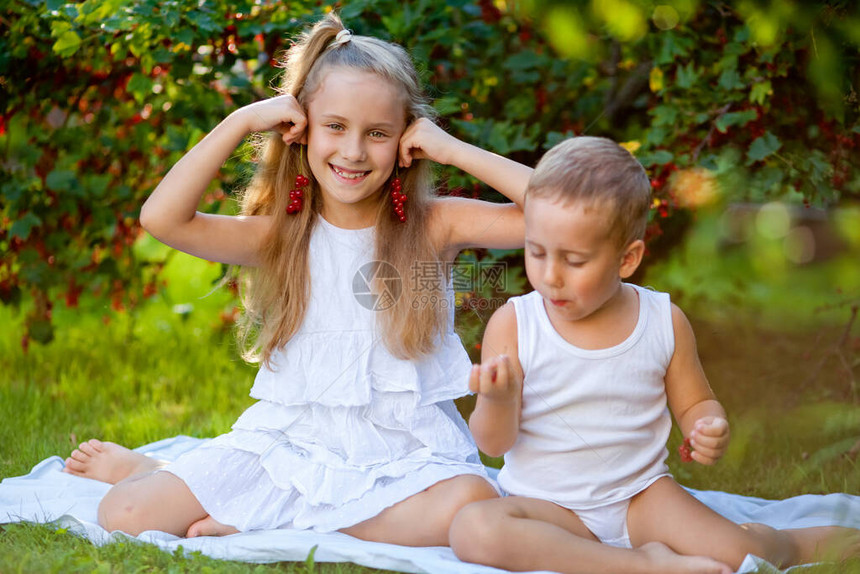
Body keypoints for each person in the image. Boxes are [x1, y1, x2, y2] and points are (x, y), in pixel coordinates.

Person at [62, 12, 532, 545]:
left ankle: (269, 520)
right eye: (335, 127)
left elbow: (559, 214)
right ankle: (147, 472)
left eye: (378, 133)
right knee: (122, 512)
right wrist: (241, 120)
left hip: (407, 454)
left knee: (470, 501)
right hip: (291, 444)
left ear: (406, 140)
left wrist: (451, 149)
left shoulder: (434, 224)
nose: (353, 151)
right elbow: (161, 220)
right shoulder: (281, 236)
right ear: (301, 129)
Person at [449, 136, 860, 573]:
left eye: (574, 260)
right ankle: (643, 566)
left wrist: (706, 424)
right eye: (536, 252)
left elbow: (695, 401)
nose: (550, 276)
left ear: (627, 259)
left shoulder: (663, 321)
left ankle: (785, 541)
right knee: (473, 529)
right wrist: (497, 399)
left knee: (747, 556)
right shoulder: (515, 324)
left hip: (642, 500)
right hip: (549, 509)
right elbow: (493, 443)